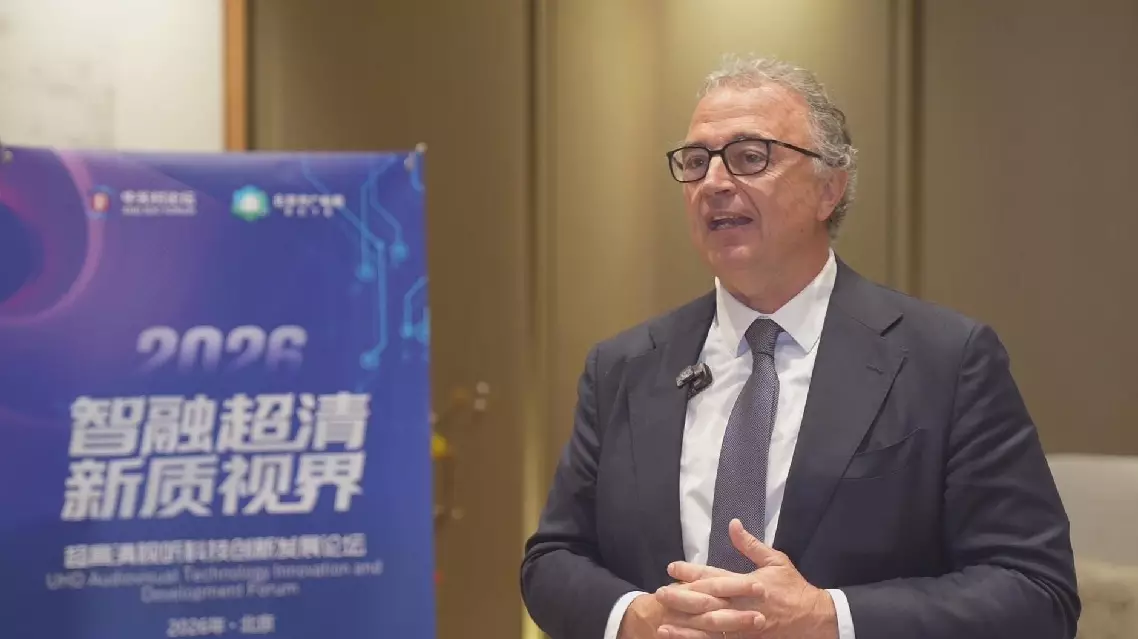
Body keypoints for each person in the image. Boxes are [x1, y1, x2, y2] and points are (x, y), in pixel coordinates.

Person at [519, 54, 1080, 639]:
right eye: (696, 161)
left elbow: (1035, 592)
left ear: (828, 189)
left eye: (749, 157)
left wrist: (829, 618)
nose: (714, 183)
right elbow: (553, 560)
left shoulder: (947, 360)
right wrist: (636, 618)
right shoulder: (623, 367)